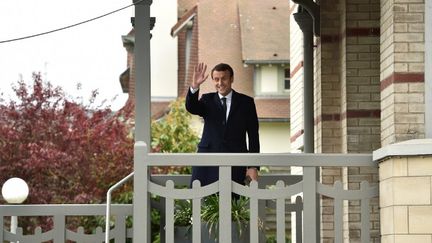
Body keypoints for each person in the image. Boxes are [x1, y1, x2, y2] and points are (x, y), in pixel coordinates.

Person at [185, 62, 260, 187]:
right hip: (207, 161)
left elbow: (253, 136)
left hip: (236, 162)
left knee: (233, 202)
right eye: (216, 79)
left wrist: (253, 166)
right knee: (202, 201)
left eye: (224, 78)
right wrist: (195, 86)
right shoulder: (207, 99)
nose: (220, 83)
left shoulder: (247, 102)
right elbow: (191, 107)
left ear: (231, 79)